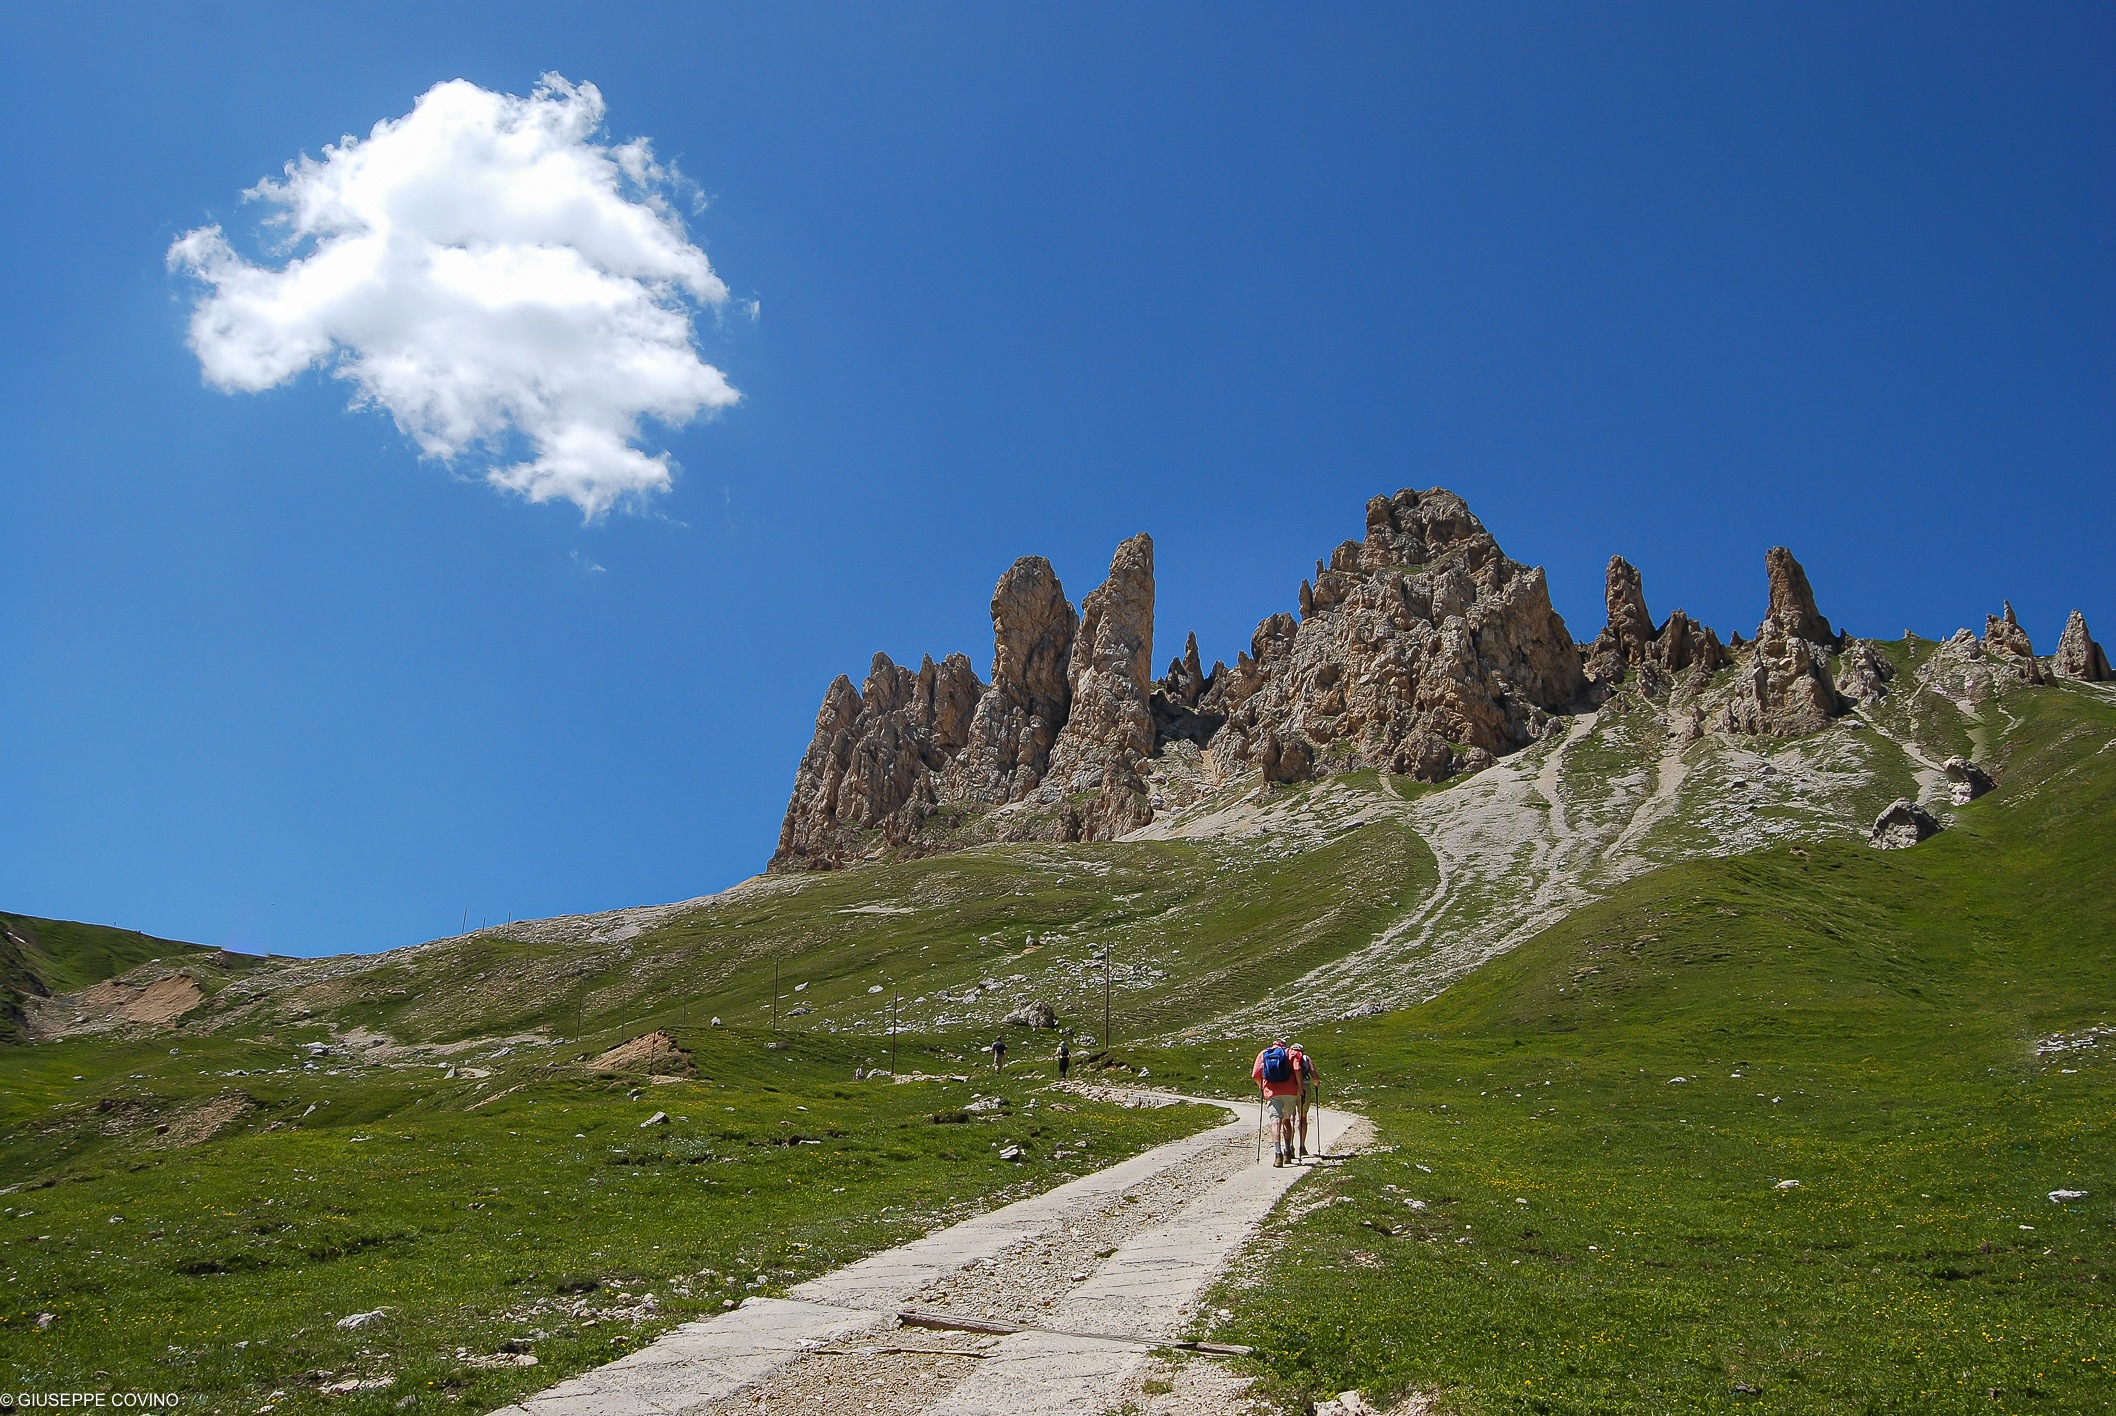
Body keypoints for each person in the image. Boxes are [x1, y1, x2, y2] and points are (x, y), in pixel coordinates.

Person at [1252, 1038, 1301, 1167]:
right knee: (1287, 1120)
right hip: (1290, 1092)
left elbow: (1256, 1074)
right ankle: (1287, 1151)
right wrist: (1300, 1088)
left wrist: (1263, 1088)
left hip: (1272, 1092)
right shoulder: (1291, 1052)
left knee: (1275, 1121)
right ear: (1284, 1044)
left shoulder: (1264, 1053)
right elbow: (1297, 1070)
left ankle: (1278, 1154)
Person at [1288, 1042, 1319, 1159]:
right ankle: (1302, 1146)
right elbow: (1314, 1076)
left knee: (1291, 1117)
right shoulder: (1306, 1058)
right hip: (1304, 1087)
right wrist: (1316, 1083)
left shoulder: (1287, 1057)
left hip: (1290, 1088)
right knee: (1302, 1117)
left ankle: (1289, 1146)